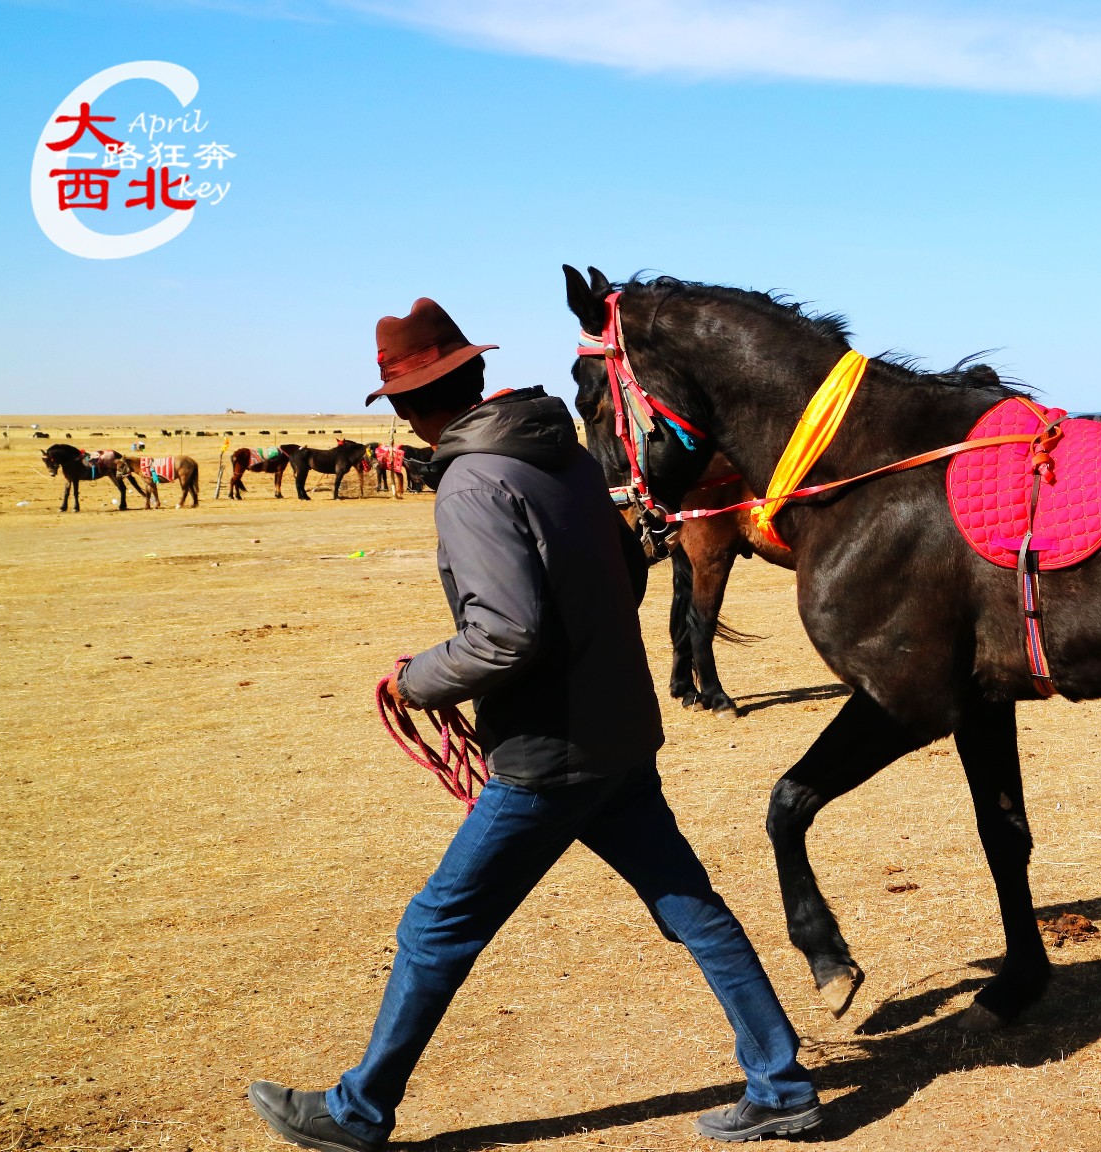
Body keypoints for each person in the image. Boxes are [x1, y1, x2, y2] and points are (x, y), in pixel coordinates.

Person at [246, 299, 822, 1151]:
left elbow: (504, 635)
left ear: (409, 406)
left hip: (550, 755)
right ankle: (780, 1083)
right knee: (692, 907)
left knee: (437, 925)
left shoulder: (473, 482)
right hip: (620, 729)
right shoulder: (566, 457)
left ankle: (357, 1112)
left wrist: (418, 680)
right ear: (476, 377)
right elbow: (626, 572)